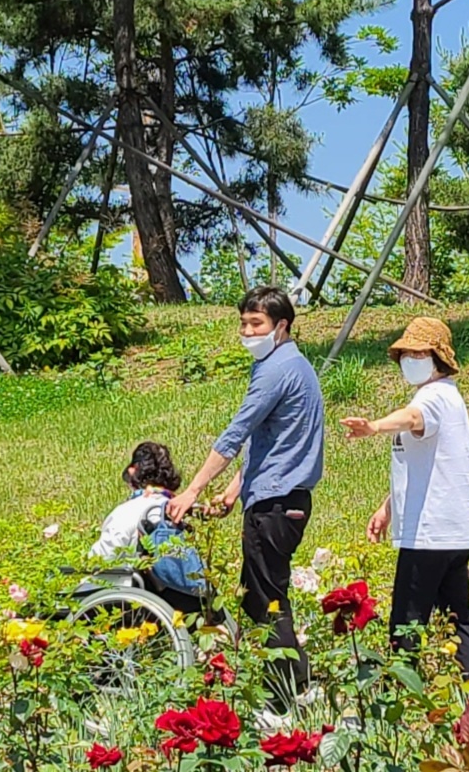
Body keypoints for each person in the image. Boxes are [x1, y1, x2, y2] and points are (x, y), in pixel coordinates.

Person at [165, 286, 324, 715]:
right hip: (279, 497)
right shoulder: (294, 365)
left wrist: (192, 489)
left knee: (263, 600)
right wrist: (237, 489)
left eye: (257, 324)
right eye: (244, 323)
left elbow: (237, 433)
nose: (247, 331)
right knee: (267, 594)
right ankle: (299, 687)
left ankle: (283, 700)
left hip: (275, 504)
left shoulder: (277, 369)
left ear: (282, 325)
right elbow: (272, 440)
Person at [341, 317, 469, 681]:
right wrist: (389, 507)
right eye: (406, 353)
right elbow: (429, 465)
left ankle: (400, 694)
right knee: (457, 616)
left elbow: (412, 418)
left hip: (428, 533)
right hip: (454, 531)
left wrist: (374, 427)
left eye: (419, 352)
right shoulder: (450, 396)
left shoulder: (433, 397)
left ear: (438, 357)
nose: (410, 359)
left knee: (407, 621)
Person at [89, 441, 207, 618]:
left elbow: (102, 559)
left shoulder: (127, 512)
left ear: (132, 472)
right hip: (186, 597)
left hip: (134, 601)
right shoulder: (178, 511)